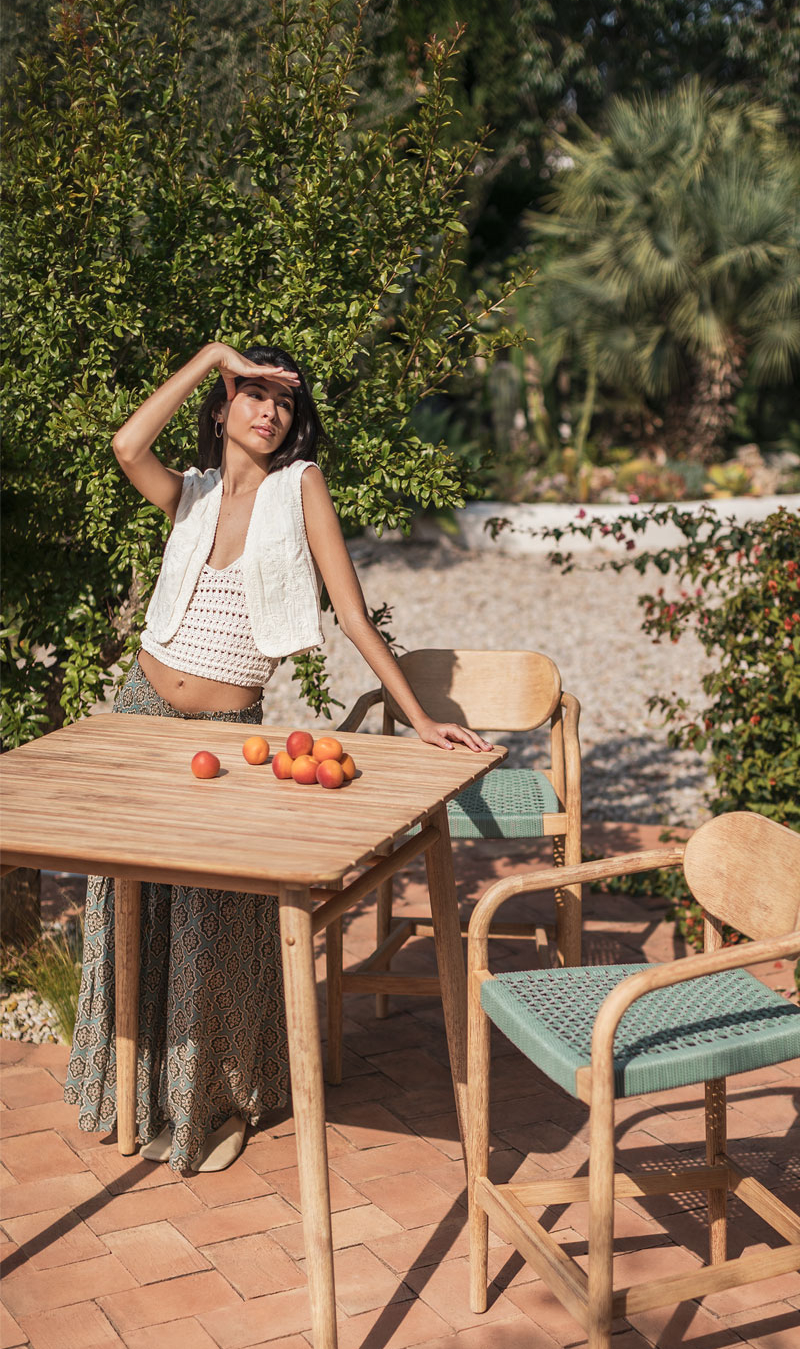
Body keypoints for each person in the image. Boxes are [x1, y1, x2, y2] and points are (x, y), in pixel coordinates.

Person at [64, 341, 489, 1173]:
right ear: (222, 408)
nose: (268, 411)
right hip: (140, 712)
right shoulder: (188, 494)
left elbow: (353, 615)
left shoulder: (302, 489)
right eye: (251, 394)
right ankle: (133, 1091)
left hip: (226, 734)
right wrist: (210, 357)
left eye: (282, 402)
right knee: (126, 901)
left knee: (211, 920)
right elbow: (125, 445)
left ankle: (215, 1103)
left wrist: (422, 718)